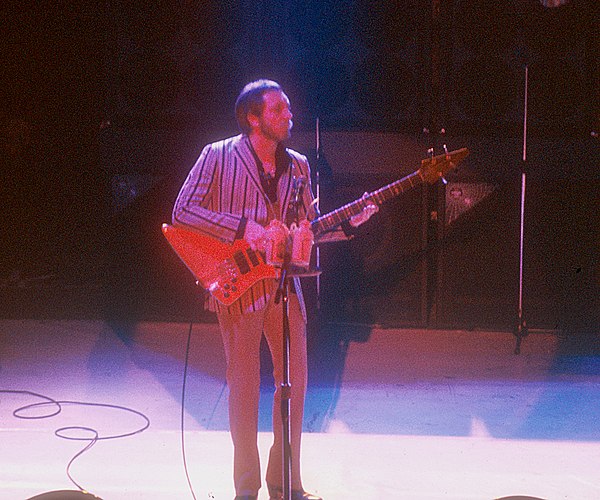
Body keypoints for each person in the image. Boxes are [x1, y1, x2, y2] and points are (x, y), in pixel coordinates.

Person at [172, 79, 377, 500]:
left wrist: (347, 223)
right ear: (253, 117)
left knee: (294, 385)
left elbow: (308, 230)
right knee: (244, 386)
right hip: (240, 285)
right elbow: (183, 210)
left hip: (286, 289)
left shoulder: (298, 165)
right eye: (278, 109)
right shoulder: (218, 155)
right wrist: (245, 228)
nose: (289, 115)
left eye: (288, 108)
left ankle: (285, 483)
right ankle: (245, 489)